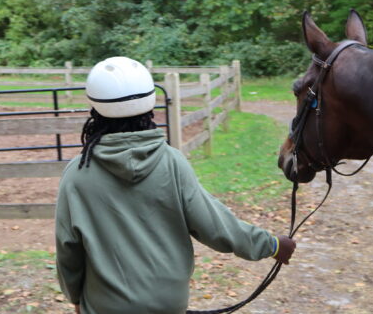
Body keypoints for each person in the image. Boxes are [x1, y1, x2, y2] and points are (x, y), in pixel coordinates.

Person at [55, 56, 296, 314]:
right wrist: (271, 245)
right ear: (150, 103)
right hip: (169, 303)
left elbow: (68, 248)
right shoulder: (171, 162)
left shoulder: (78, 173)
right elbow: (215, 225)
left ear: (95, 107)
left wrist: (75, 298)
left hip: (106, 305)